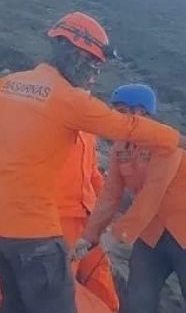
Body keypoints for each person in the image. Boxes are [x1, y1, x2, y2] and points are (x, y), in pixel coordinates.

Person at [0, 11, 186, 313]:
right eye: (94, 65)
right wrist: (182, 140)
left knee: (15, 304)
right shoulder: (67, 99)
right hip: (35, 236)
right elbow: (128, 127)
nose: (94, 75)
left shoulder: (2, 85)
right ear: (78, 54)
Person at [74, 84, 186, 313]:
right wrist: (89, 236)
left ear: (141, 113)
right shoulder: (120, 147)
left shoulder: (167, 142)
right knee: (138, 300)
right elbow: (110, 194)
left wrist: (118, 235)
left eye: (122, 111)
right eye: (116, 111)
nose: (117, 117)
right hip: (151, 234)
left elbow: (152, 194)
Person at [58, 131, 120, 311]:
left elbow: (92, 174)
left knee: (99, 274)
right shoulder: (51, 128)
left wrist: (108, 210)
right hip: (63, 219)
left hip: (90, 219)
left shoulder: (88, 133)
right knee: (64, 281)